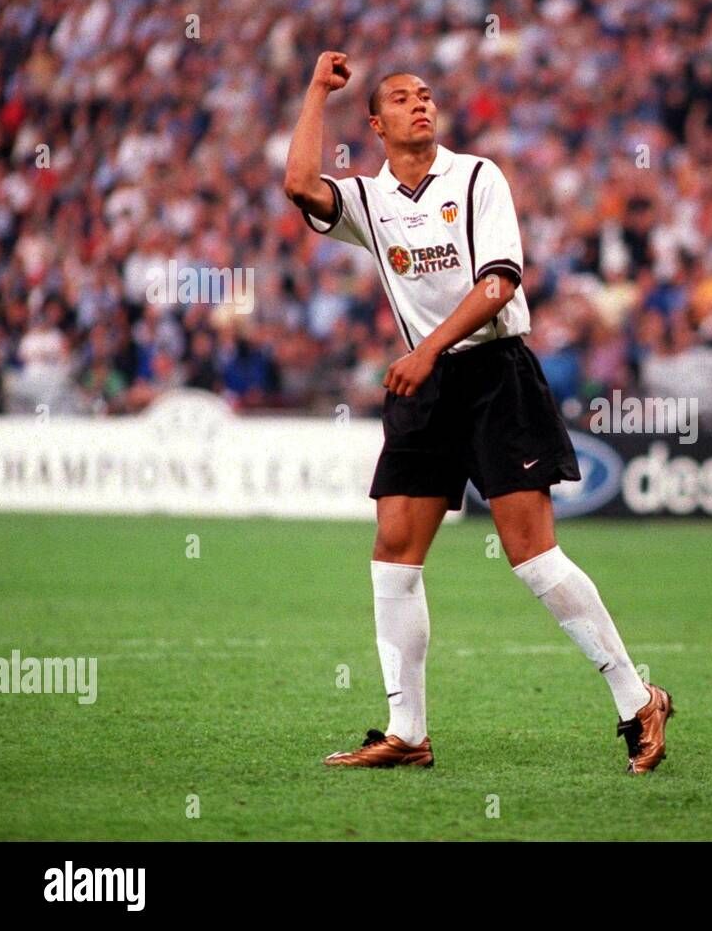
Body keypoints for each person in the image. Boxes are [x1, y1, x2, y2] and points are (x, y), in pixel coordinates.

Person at [282, 52, 673, 773]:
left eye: (426, 95)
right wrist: (315, 89)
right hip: (424, 388)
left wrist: (426, 349)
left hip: (495, 375)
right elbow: (299, 184)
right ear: (374, 123)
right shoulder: (369, 201)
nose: (419, 105)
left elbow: (499, 284)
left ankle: (636, 697)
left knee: (533, 556)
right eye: (401, 99)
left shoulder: (477, 177)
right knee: (394, 551)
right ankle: (407, 732)